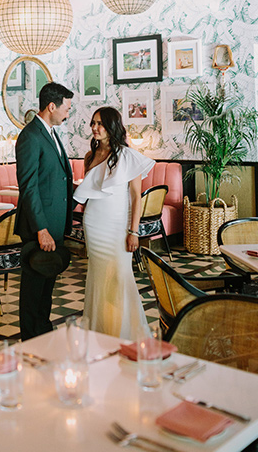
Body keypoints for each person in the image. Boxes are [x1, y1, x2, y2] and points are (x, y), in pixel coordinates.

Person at [74, 107, 155, 339]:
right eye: (93, 123)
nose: (95, 128)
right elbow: (89, 193)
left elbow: (136, 197)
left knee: (119, 277)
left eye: (100, 124)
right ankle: (99, 331)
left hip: (118, 226)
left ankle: (124, 333)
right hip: (93, 223)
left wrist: (133, 231)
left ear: (112, 127)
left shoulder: (128, 156)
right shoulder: (90, 156)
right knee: (98, 277)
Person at [15, 81, 74, 340]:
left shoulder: (50, 132)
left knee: (47, 283)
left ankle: (43, 332)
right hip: (40, 227)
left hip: (55, 223)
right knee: (33, 287)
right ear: (52, 106)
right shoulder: (30, 136)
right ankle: (29, 337)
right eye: (66, 108)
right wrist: (41, 228)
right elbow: (28, 187)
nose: (67, 113)